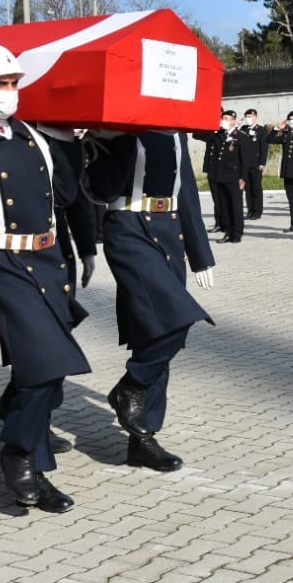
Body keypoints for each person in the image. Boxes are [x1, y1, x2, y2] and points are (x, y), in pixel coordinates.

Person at [0, 43, 91, 513]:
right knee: (48, 362)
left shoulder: (32, 135)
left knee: (47, 366)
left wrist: (68, 140)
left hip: (46, 261)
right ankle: (20, 456)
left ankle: (22, 425)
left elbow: (64, 196)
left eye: (13, 83)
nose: (9, 92)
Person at [84, 128, 216, 473]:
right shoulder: (113, 131)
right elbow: (99, 190)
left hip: (169, 229)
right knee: (175, 317)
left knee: (156, 332)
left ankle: (142, 438)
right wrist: (113, 139)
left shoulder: (175, 132)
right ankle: (131, 386)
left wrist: (200, 255)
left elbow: (186, 189)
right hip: (129, 228)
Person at [204, 111, 246, 244]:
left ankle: (237, 233)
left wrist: (243, 178)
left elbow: (245, 160)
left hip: (234, 177)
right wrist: (213, 126)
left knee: (235, 206)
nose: (224, 121)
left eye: (227, 119)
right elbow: (199, 135)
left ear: (234, 121)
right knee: (224, 206)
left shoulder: (240, 136)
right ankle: (228, 232)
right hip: (220, 176)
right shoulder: (219, 134)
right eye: (223, 119)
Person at [239, 109, 268, 220]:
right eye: (246, 116)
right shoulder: (243, 130)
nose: (248, 118)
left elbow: (264, 147)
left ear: (255, 117)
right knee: (247, 188)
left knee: (256, 187)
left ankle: (257, 211)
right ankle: (250, 210)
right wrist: (238, 126)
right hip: (245, 164)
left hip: (256, 163)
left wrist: (262, 162)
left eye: (250, 116)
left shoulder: (261, 130)